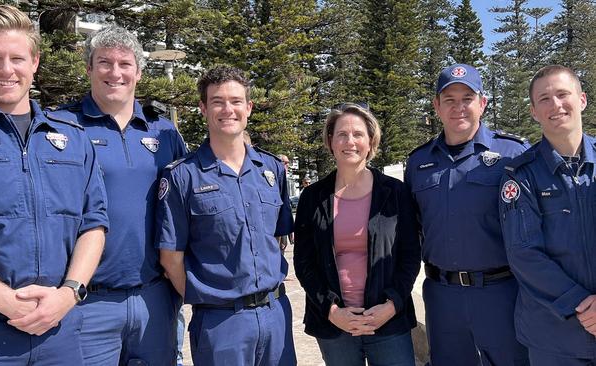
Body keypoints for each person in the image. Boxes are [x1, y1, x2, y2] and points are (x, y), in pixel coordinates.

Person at [0, 4, 109, 364]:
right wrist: (10, 303)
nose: (7, 70)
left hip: (60, 331)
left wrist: (68, 294)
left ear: (34, 62)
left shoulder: (73, 138)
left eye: (17, 58)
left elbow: (94, 223)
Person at [50, 26, 187, 365]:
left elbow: (188, 208)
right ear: (89, 69)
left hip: (154, 297)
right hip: (86, 301)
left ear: (139, 71)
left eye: (125, 64)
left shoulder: (165, 132)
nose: (115, 72)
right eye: (104, 63)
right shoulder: (59, 127)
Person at [157, 65, 296, 366]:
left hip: (276, 314)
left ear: (248, 107)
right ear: (203, 108)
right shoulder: (184, 176)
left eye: (235, 101)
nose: (227, 109)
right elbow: (171, 258)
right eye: (218, 101)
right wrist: (210, 298)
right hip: (221, 324)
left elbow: (278, 239)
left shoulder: (271, 170)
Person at [404, 64, 530, 365]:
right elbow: (412, 229)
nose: (458, 107)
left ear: (482, 103)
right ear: (436, 106)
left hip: (502, 292)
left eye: (467, 98)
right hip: (442, 295)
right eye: (449, 99)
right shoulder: (419, 162)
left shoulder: (512, 154)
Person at [293, 103, 421, 366]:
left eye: (358, 134)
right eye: (341, 134)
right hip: (336, 326)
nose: (349, 141)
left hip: (387, 322)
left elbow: (410, 255)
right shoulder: (313, 197)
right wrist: (331, 311)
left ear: (371, 140)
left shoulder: (395, 193)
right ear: (330, 141)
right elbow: (305, 263)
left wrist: (392, 305)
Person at [499, 65, 596, 365]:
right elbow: (524, 254)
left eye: (562, 94)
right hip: (555, 337)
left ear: (581, 99)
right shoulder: (521, 176)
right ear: (533, 111)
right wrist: (583, 305)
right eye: (544, 99)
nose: (555, 105)